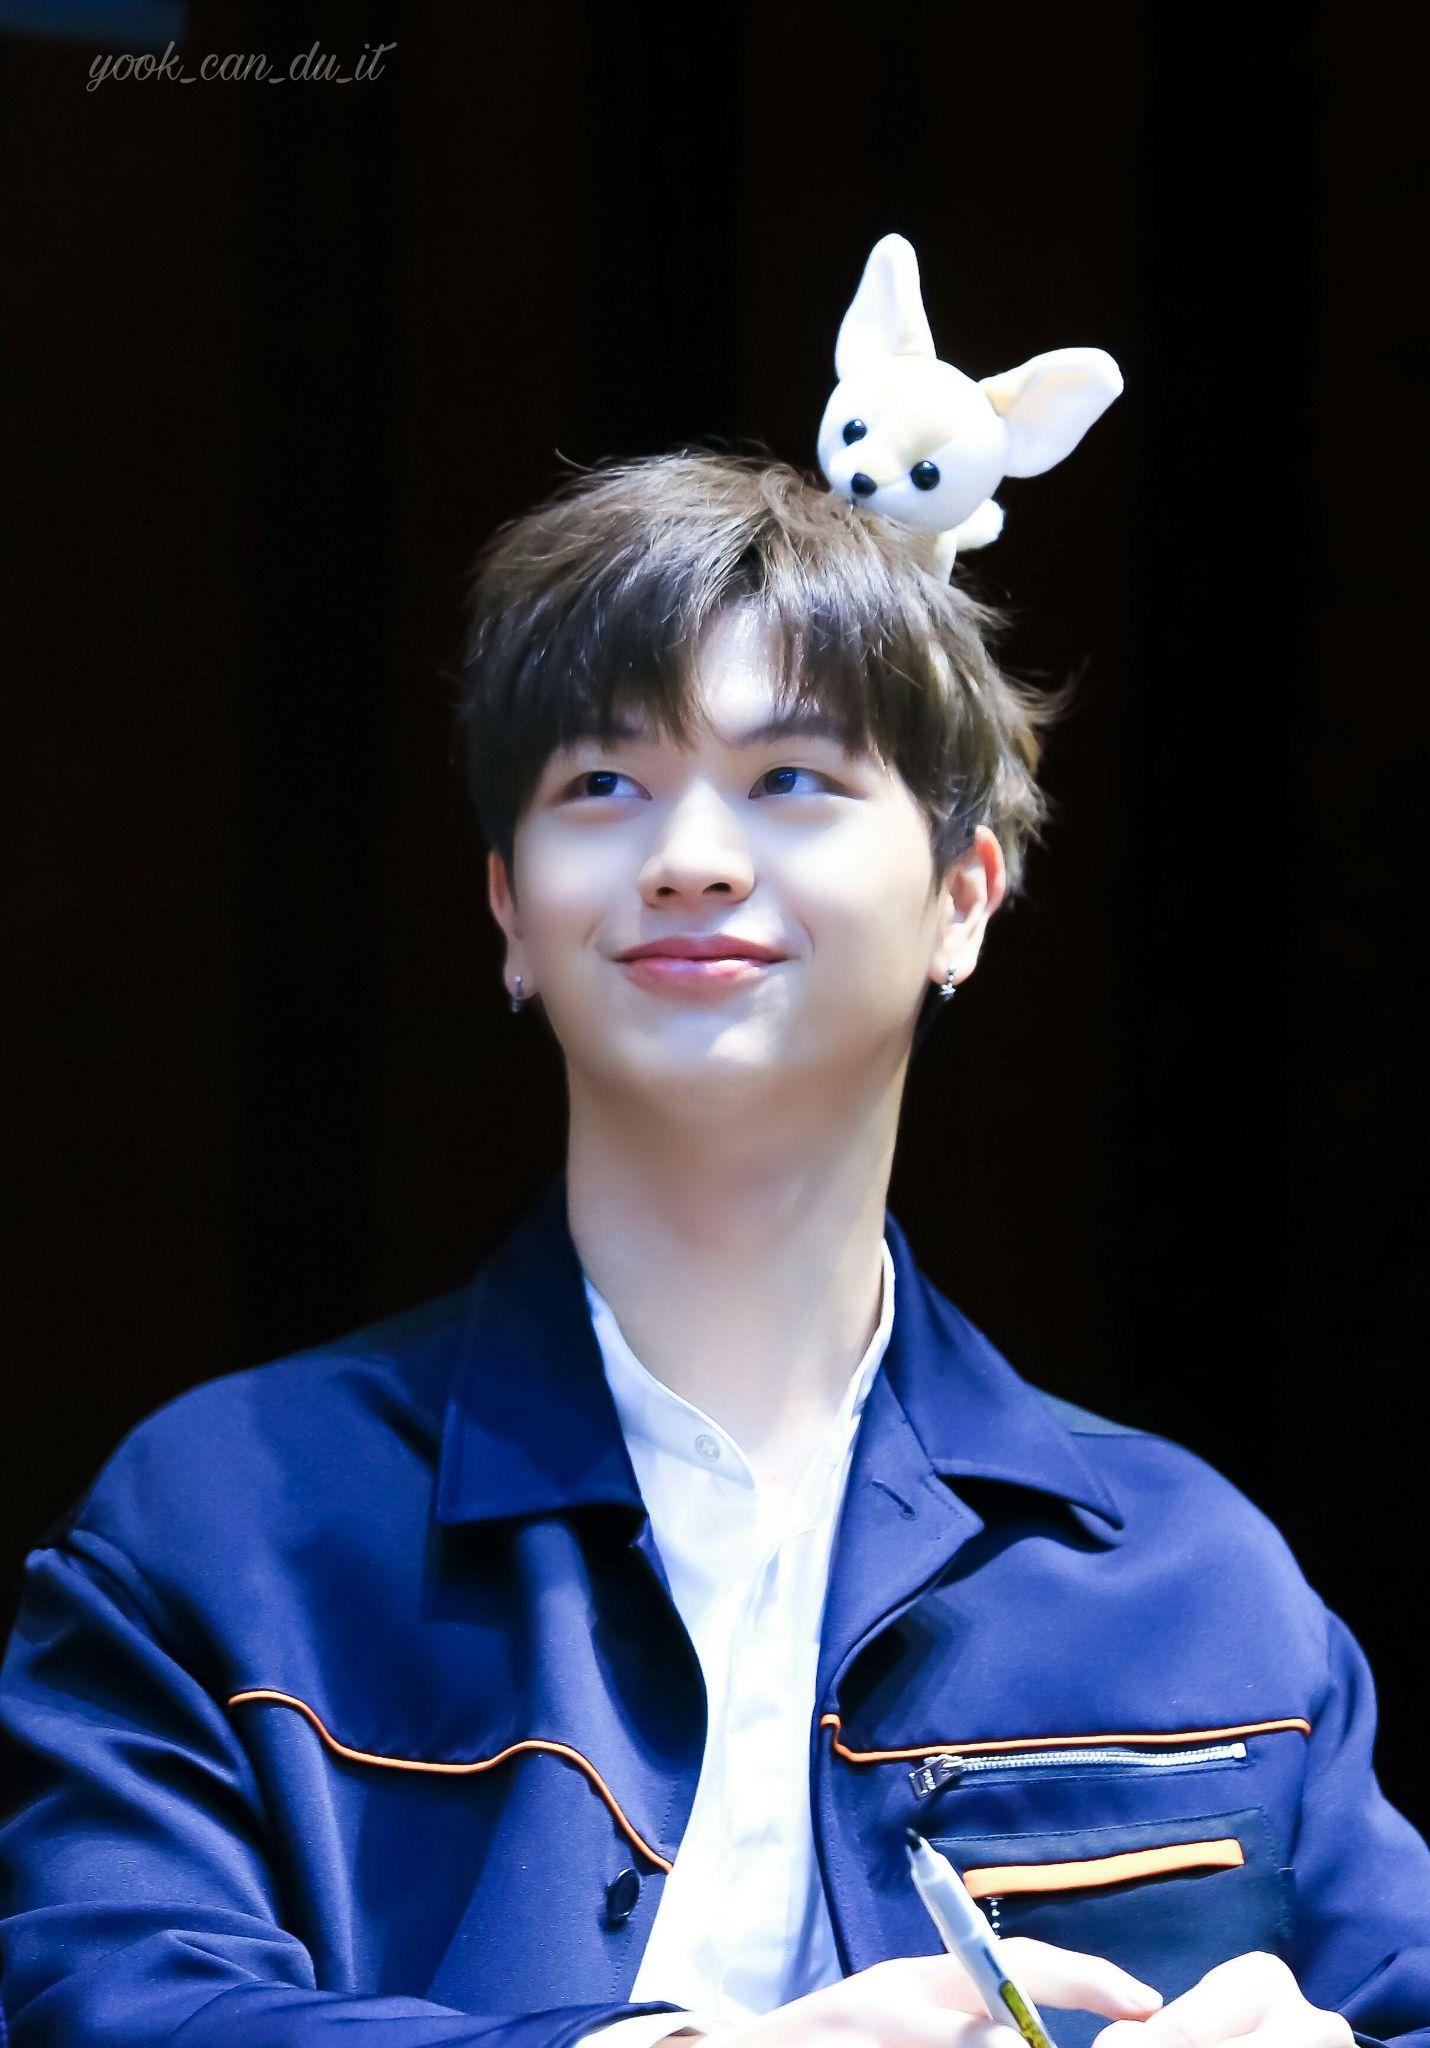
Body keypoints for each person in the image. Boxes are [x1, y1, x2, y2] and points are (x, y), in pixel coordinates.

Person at [2, 452, 1427, 2048]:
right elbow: (109, 2007)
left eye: (792, 778)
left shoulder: (1196, 1583)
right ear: (509, 910)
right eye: (601, 786)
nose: (690, 855)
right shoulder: (222, 1527)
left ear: (964, 897)